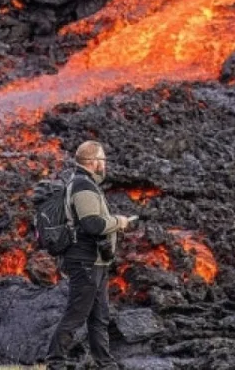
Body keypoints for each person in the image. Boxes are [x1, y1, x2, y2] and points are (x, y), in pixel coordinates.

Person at [45, 141, 135, 370]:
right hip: (85, 262)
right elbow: (92, 225)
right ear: (93, 161)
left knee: (99, 317)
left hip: (96, 262)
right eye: (102, 160)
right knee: (76, 315)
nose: (104, 164)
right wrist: (119, 222)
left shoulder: (85, 184)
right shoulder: (83, 187)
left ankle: (105, 364)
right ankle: (55, 363)